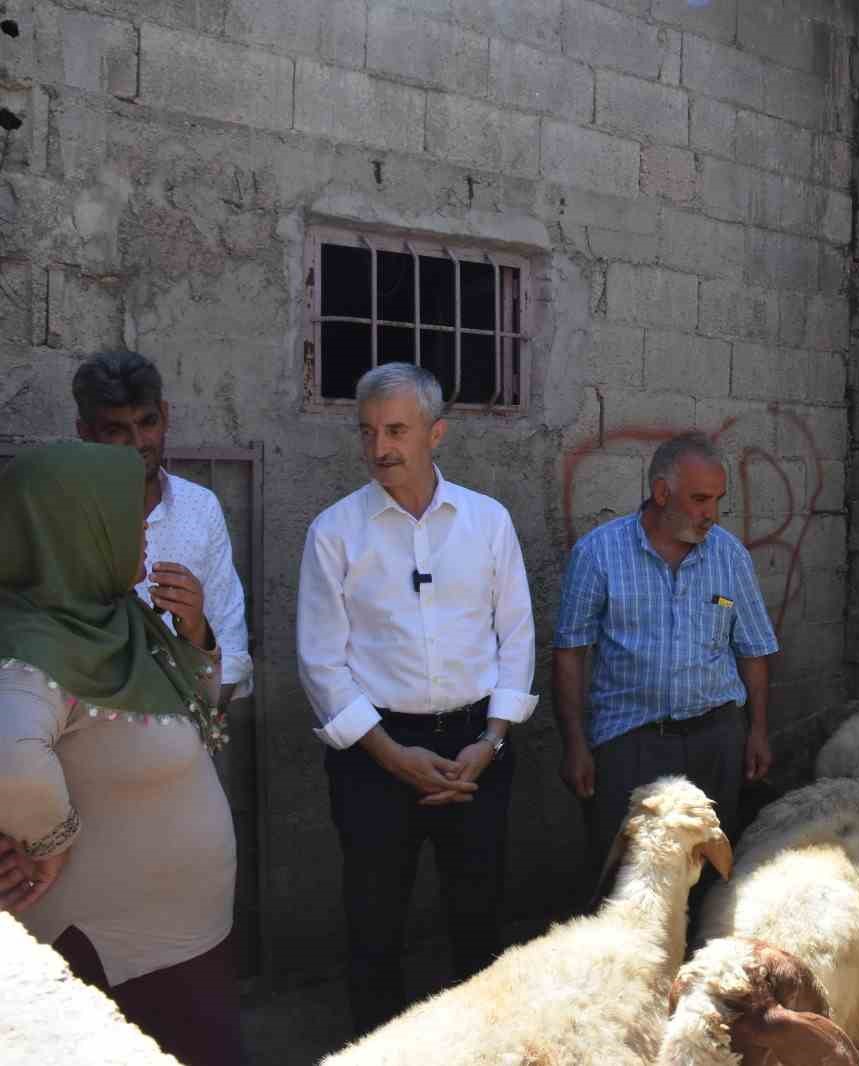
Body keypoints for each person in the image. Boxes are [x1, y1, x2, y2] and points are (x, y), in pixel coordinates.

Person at [296, 363, 536, 1035]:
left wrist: (490, 742)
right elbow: (320, 661)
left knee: (479, 919)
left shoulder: (487, 522)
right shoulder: (335, 532)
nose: (380, 448)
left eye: (397, 430)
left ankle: (484, 1047)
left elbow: (516, 637)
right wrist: (390, 754)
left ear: (438, 433)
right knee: (373, 927)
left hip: (475, 751)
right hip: (374, 756)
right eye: (367, 432)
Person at [0, 441, 238, 1066]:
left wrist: (197, 635)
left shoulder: (123, 619)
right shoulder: (31, 647)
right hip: (119, 951)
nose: (140, 533)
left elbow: (199, 710)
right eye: (124, 518)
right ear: (76, 530)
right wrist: (50, 845)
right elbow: (10, 758)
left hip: (182, 943)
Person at [552, 432, 779, 894]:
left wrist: (756, 730)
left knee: (711, 877)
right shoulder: (600, 554)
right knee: (623, 882)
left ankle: (700, 965)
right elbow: (570, 655)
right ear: (661, 493)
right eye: (699, 499)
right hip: (629, 744)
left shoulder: (729, 557)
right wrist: (575, 743)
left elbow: (753, 650)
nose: (711, 513)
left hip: (716, 741)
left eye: (717, 500)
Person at [73, 350, 254, 707]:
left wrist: (197, 631)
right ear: (85, 433)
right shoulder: (62, 515)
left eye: (147, 422)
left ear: (166, 416)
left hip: (185, 730)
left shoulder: (200, 508)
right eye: (116, 430)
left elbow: (231, 653)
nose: (138, 442)